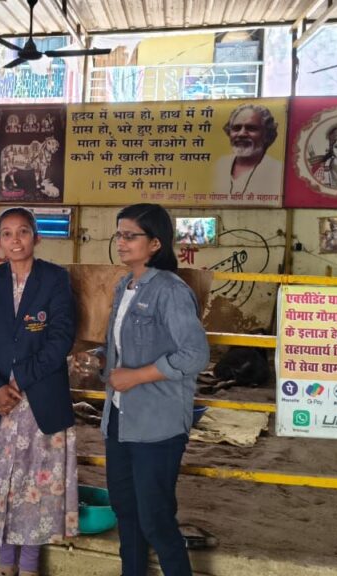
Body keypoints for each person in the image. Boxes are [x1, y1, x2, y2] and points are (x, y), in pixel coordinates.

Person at [71, 204, 209, 576]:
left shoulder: (171, 291)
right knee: (126, 513)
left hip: (157, 425)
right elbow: (119, 348)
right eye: (119, 234)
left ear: (155, 243)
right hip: (119, 420)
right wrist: (98, 359)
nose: (121, 242)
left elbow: (195, 354)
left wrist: (136, 376)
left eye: (130, 236)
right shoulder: (125, 286)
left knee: (156, 520)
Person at [0, 208, 79, 576]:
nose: (15, 239)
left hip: (40, 401)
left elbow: (61, 338)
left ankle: (30, 566)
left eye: (23, 231)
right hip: (0, 404)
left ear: (37, 237)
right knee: (0, 483)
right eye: (7, 233)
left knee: (37, 485)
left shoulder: (55, 279)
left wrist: (18, 381)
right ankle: (5, 564)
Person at [211, 104, 284, 199]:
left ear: (266, 134)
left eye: (251, 128)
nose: (241, 134)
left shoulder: (278, 170)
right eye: (236, 128)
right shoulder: (220, 165)